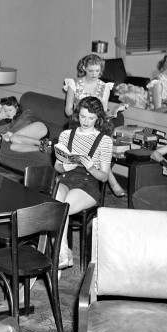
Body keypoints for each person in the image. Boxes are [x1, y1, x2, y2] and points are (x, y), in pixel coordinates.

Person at [54, 96, 113, 268]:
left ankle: (61, 253)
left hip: (89, 182)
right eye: (82, 116)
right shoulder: (66, 135)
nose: (86, 121)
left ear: (98, 118)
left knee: (62, 206)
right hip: (66, 177)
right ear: (77, 115)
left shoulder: (104, 140)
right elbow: (57, 166)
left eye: (91, 118)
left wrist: (91, 167)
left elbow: (104, 177)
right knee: (56, 201)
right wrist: (67, 167)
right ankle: (64, 252)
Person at [63, 54, 125, 197]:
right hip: (77, 123)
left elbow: (102, 112)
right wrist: (81, 114)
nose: (94, 74)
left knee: (100, 146)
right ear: (84, 68)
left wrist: (115, 111)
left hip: (96, 124)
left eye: (97, 71)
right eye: (91, 71)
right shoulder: (74, 84)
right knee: (97, 147)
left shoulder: (104, 87)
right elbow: (68, 111)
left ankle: (108, 182)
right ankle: (113, 182)